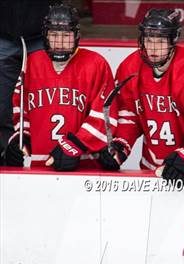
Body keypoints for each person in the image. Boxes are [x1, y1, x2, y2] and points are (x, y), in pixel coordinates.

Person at [98, 8, 184, 182]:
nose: (153, 48)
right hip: (152, 170)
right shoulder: (129, 67)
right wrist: (121, 146)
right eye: (149, 40)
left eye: (161, 40)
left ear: (173, 39)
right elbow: (130, 116)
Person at [4, 2, 117, 171]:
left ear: (77, 35)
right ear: (45, 36)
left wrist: (74, 146)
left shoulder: (96, 64)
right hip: (39, 167)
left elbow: (104, 116)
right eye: (54, 35)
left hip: (84, 166)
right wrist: (21, 138)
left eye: (66, 36)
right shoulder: (30, 63)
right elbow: (21, 109)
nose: (59, 42)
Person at [0, 0, 59, 165]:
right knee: (2, 107)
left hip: (42, 35)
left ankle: (54, 159)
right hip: (3, 34)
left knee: (50, 101)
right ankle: (8, 158)